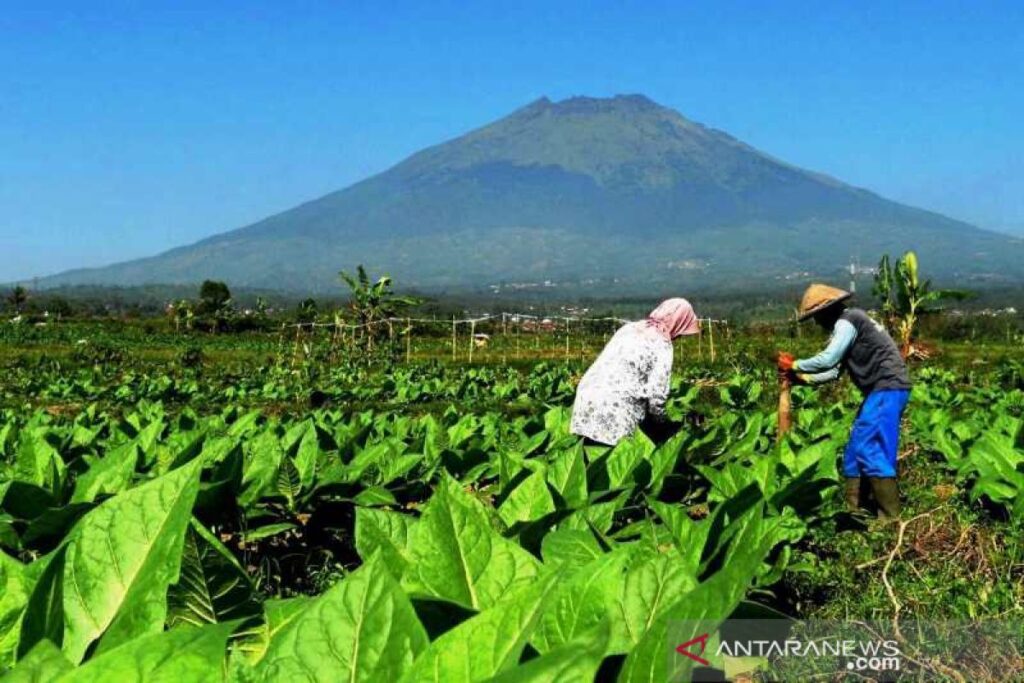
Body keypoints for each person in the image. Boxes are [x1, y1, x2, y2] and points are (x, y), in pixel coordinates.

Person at [778, 284, 912, 518]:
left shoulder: (847, 321)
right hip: (880, 391)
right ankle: (855, 510)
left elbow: (828, 359)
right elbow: (833, 372)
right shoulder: (848, 326)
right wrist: (802, 379)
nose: (817, 323)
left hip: (887, 387)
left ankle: (890, 519)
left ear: (826, 311)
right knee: (854, 450)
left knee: (871, 449)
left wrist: (795, 365)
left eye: (816, 318)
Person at [570, 298, 700, 446]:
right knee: (616, 460)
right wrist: (663, 425)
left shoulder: (629, 328)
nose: (679, 337)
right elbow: (657, 395)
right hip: (616, 407)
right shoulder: (662, 343)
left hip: (586, 396)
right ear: (678, 323)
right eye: (682, 332)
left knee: (589, 456)